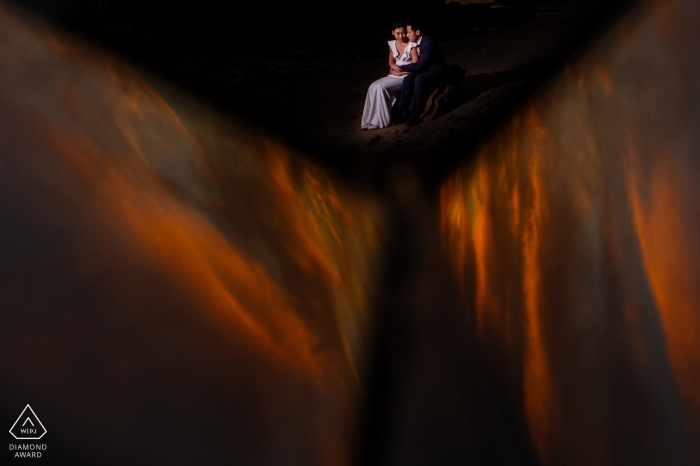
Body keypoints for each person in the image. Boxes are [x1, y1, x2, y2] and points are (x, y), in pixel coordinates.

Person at [361, 21, 419, 130]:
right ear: (393, 33)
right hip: (393, 75)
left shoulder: (412, 46)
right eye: (398, 33)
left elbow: (416, 67)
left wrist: (401, 72)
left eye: (403, 33)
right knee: (373, 86)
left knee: (380, 87)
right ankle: (369, 120)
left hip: (405, 77)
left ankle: (380, 122)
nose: (401, 36)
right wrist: (393, 66)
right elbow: (391, 61)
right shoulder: (392, 44)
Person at [393, 21, 447, 126]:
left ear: (417, 32)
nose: (406, 35)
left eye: (408, 32)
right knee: (408, 79)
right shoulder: (417, 43)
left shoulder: (428, 43)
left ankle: (415, 113)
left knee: (419, 79)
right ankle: (404, 111)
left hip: (437, 71)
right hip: (427, 69)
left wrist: (400, 68)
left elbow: (419, 66)